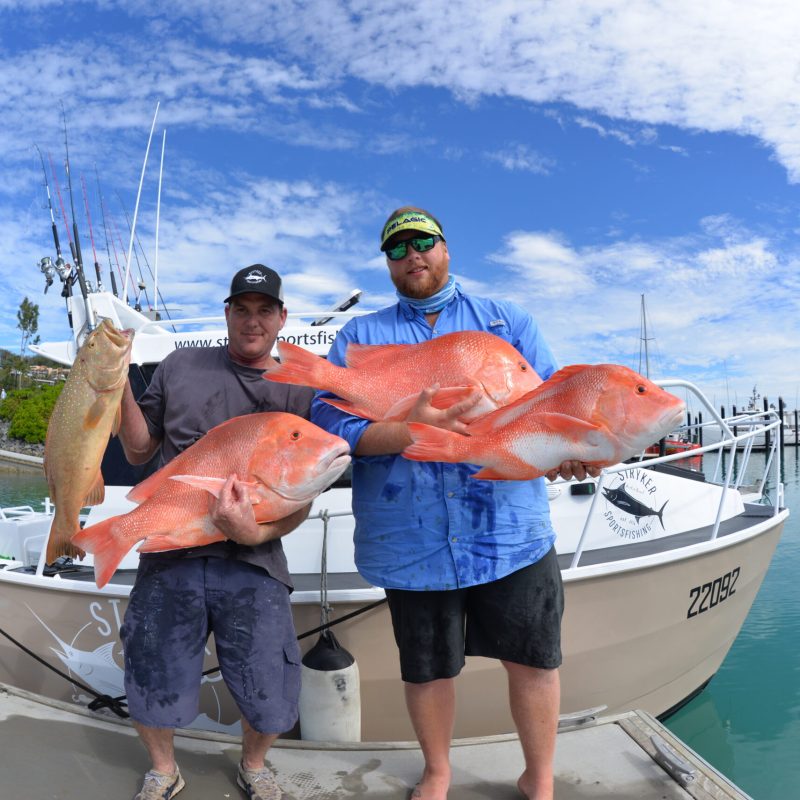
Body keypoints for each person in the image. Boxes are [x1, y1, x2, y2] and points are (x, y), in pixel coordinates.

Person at [312, 208, 596, 800]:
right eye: (397, 248)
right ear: (387, 262)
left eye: (423, 242)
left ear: (445, 247)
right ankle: (437, 771)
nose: (412, 254)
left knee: (535, 660)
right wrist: (407, 429)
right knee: (427, 667)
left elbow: (549, 403)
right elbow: (328, 424)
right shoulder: (358, 338)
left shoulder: (506, 321)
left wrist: (571, 449)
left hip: (509, 531)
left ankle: (539, 778)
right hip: (410, 539)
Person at [117, 264, 314, 800]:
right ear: (227, 313)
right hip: (174, 549)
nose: (253, 322)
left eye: (264, 311)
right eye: (242, 310)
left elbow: (302, 495)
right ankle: (164, 769)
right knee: (151, 663)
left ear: (281, 318)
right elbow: (138, 450)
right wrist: (117, 388)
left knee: (268, 681)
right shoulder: (180, 366)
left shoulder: (297, 389)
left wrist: (253, 533)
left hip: (254, 558)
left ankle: (254, 765)